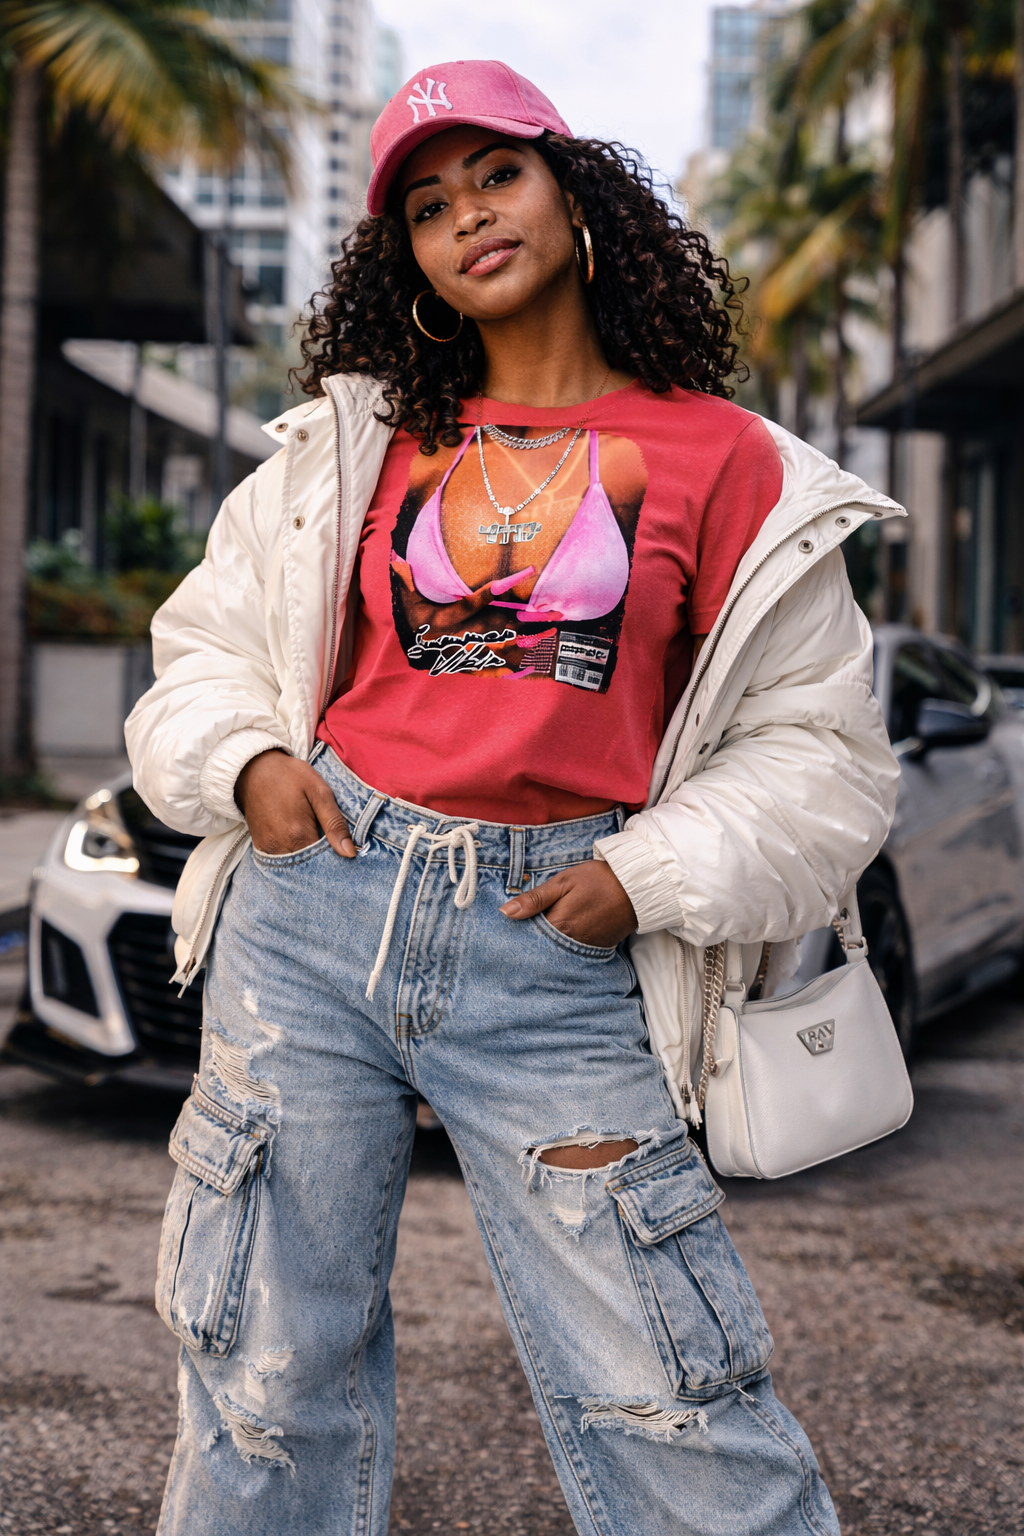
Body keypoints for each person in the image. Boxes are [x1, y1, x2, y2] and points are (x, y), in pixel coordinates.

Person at [128, 59, 903, 1536]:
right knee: (263, 1371)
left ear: (576, 192)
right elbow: (205, 652)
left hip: (558, 939)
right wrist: (251, 767)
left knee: (668, 1387)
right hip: (311, 911)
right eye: (428, 206)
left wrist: (649, 877)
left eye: (498, 176)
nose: (468, 217)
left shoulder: (728, 460)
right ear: (407, 261)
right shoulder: (352, 441)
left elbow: (823, 753)